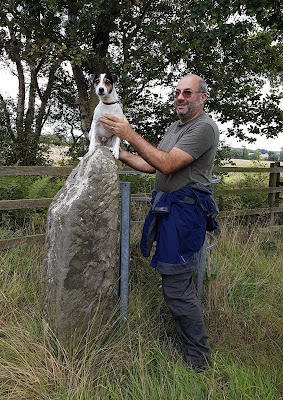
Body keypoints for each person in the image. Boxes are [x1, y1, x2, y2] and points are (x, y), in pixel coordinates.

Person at [100, 74, 220, 371]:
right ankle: (194, 350)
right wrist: (117, 152)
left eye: (188, 93)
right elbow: (151, 163)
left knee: (177, 286)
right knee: (176, 283)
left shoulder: (204, 127)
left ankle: (199, 359)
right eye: (177, 92)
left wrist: (128, 133)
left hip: (186, 213)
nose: (180, 97)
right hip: (169, 210)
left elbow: (167, 164)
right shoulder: (175, 127)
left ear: (202, 98)